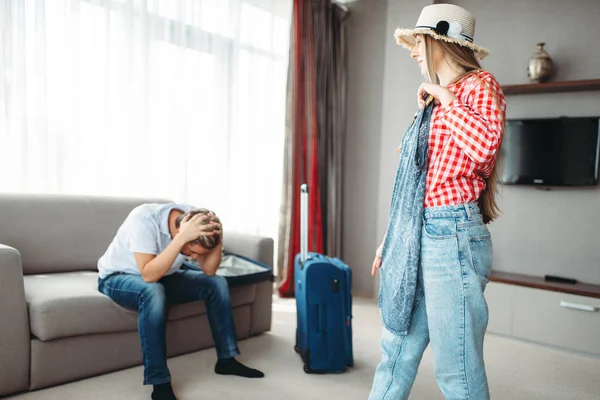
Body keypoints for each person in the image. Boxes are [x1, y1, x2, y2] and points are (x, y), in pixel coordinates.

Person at [369, 4, 506, 400]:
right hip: (419, 232)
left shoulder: (480, 86)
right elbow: (416, 183)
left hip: (452, 236)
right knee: (395, 350)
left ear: (438, 43)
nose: (413, 52)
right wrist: (392, 237)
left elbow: (484, 148)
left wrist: (445, 96)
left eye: (418, 42)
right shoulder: (431, 102)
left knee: (456, 369)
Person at [97, 203, 264, 400]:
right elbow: (149, 275)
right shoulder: (143, 220)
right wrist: (181, 240)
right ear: (179, 233)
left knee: (216, 283)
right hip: (118, 277)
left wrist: (219, 238)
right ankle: (159, 383)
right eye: (191, 251)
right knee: (153, 291)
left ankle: (227, 360)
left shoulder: (196, 219)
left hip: (164, 274)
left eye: (197, 254)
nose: (193, 257)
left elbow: (209, 271)